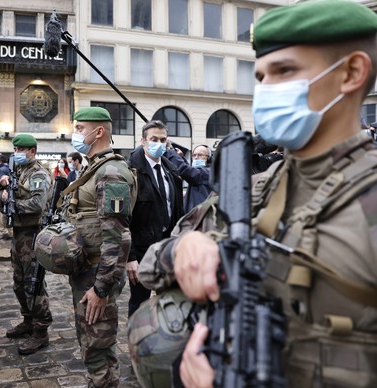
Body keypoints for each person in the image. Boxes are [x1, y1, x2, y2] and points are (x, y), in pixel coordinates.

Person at [138, 1, 377, 386]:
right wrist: (182, 251)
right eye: (260, 77)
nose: (265, 91)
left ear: (351, 73)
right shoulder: (261, 186)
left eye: (284, 71)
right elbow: (152, 263)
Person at [56, 107, 137, 387]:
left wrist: (101, 289)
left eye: (80, 128)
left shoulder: (111, 172)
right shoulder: (94, 168)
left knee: (97, 347)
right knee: (93, 342)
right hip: (86, 271)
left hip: (96, 275)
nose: (75, 134)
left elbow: (116, 236)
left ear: (98, 131)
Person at [0, 134, 53, 355]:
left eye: (22, 149)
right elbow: (1, 200)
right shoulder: (17, 173)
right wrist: (2, 194)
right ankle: (28, 320)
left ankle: (41, 331)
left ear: (32, 152)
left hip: (33, 235)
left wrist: (12, 202)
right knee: (19, 282)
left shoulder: (38, 174)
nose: (17, 152)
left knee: (33, 283)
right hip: (18, 234)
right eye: (15, 149)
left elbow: (37, 204)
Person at [126, 120, 183, 317]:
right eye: (153, 139)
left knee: (168, 299)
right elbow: (124, 219)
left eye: (162, 139)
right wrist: (130, 256)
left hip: (167, 248)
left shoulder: (171, 170)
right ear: (143, 141)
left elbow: (177, 211)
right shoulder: (131, 171)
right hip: (142, 250)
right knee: (139, 303)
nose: (158, 143)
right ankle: (138, 339)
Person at [167, 144, 212, 214]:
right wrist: (181, 158)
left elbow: (185, 170)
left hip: (200, 217)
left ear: (208, 158)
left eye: (200, 155)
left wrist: (170, 152)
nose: (196, 158)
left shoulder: (208, 172)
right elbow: (189, 170)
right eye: (194, 155)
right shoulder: (201, 172)